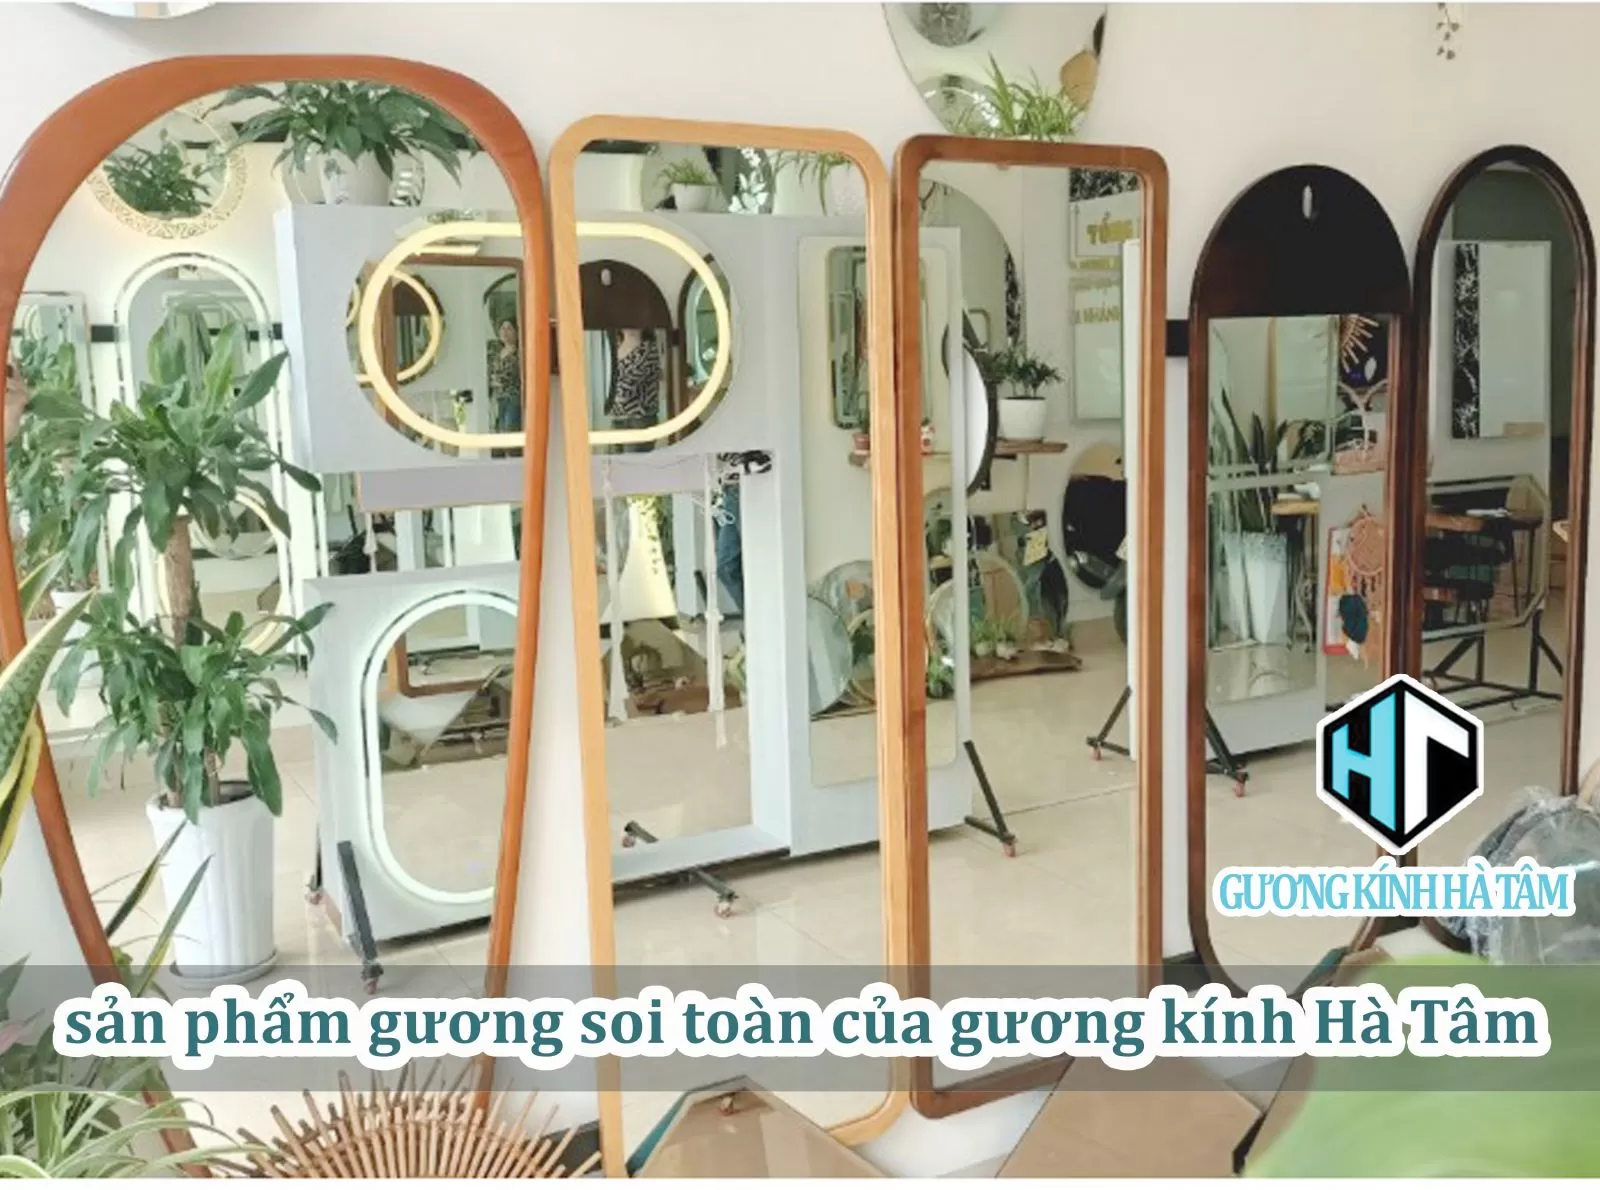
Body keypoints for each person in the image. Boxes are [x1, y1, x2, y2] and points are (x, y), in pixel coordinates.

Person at [488, 319, 520, 457]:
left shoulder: (519, 352)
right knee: (499, 432)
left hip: (513, 397)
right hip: (498, 398)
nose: (505, 332)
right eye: (502, 328)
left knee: (510, 429)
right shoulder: (496, 353)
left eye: (509, 328)